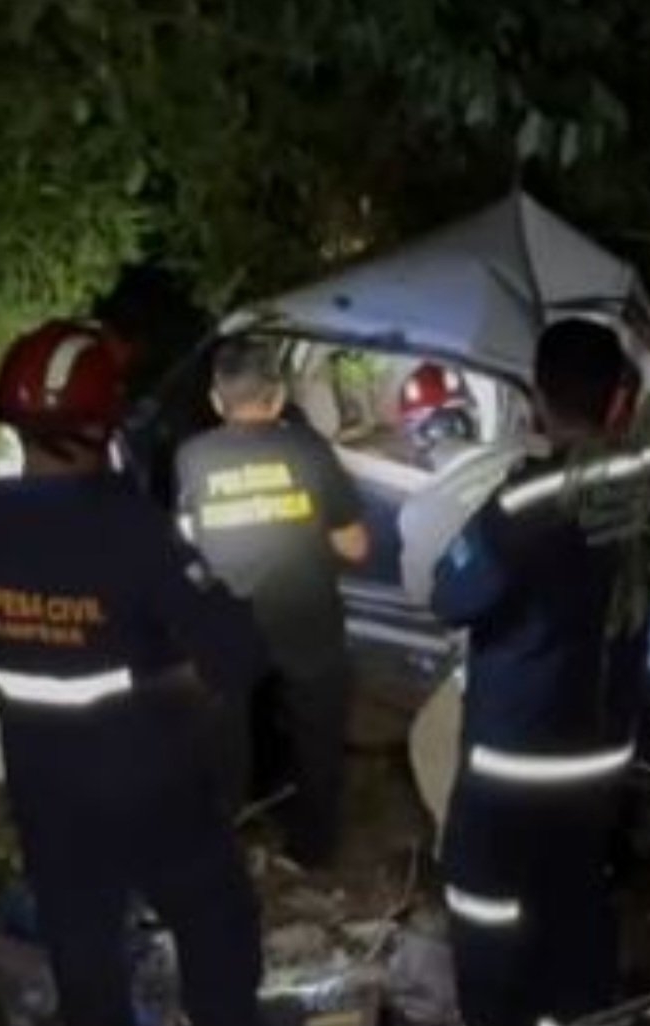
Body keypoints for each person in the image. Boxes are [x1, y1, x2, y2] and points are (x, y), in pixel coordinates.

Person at [0, 320, 267, 1026]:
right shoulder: (134, 531)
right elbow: (238, 654)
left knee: (85, 959)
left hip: (48, 789)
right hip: (156, 785)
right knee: (217, 928)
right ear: (104, 423)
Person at [430, 317, 650, 1026]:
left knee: (492, 926)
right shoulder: (645, 484)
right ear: (619, 401)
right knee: (576, 921)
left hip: (513, 771)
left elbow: (450, 596)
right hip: (599, 762)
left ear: (535, 398)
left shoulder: (522, 505)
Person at [174, 336, 369, 869]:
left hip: (227, 621)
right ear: (279, 396)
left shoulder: (192, 457)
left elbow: (190, 542)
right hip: (305, 615)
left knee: (223, 738)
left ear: (218, 400)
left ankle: (222, 850)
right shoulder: (308, 450)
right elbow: (355, 544)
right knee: (317, 735)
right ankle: (313, 851)